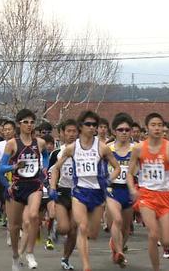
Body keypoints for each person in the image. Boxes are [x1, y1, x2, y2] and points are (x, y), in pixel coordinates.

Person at [51, 110, 121, 271]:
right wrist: (53, 187)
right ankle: (86, 266)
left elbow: (116, 168)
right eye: (88, 124)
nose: (92, 127)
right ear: (81, 127)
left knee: (93, 233)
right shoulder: (72, 148)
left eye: (94, 125)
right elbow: (56, 168)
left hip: (97, 193)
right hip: (79, 192)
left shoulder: (102, 148)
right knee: (81, 227)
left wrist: (108, 180)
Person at [127, 112, 169, 271]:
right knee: (153, 234)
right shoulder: (139, 148)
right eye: (153, 125)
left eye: (160, 125)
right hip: (146, 196)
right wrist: (133, 189)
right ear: (147, 128)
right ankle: (156, 268)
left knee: (167, 240)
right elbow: (130, 173)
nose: (157, 128)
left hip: (166, 196)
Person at [0, 109, 50, 271]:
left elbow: (46, 156)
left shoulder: (39, 143)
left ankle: (30, 253)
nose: (29, 125)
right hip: (18, 186)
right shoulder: (12, 144)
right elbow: (1, 168)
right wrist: (14, 166)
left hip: (34, 185)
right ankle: (15, 255)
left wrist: (45, 168)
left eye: (32, 122)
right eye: (25, 122)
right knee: (14, 226)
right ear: (19, 124)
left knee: (34, 216)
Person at [47, 119, 78, 270]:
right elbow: (54, 171)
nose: (72, 134)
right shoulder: (57, 153)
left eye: (74, 131)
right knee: (65, 227)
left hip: (78, 193)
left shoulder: (84, 150)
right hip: (62, 191)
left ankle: (66, 258)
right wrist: (52, 187)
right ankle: (55, 228)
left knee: (73, 230)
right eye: (68, 131)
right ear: (62, 133)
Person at [105, 113, 134, 268]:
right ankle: (119, 252)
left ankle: (117, 247)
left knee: (126, 228)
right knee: (117, 220)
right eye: (120, 129)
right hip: (112, 190)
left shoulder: (136, 149)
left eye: (127, 129)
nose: (124, 132)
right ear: (114, 131)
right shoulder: (107, 149)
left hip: (128, 190)